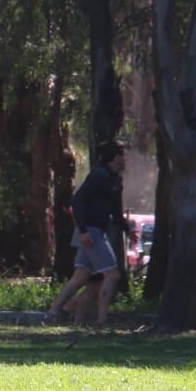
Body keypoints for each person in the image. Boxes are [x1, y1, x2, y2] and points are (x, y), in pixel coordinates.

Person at [46, 140, 128, 327]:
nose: (125, 159)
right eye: (123, 155)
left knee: (81, 277)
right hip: (90, 231)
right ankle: (102, 320)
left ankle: (54, 311)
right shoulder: (98, 176)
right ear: (114, 157)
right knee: (112, 275)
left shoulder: (115, 179)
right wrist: (82, 230)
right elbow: (77, 201)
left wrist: (125, 228)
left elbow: (115, 208)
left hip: (97, 230)